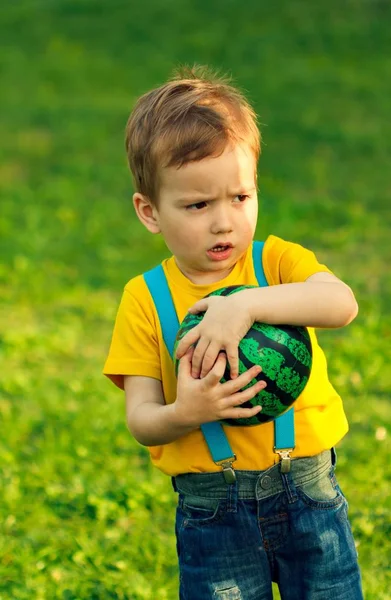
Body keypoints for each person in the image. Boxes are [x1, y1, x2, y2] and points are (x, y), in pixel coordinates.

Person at [104, 65, 364, 600]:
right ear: (149, 212)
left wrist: (245, 303)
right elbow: (141, 420)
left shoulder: (276, 263)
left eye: (240, 198)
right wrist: (185, 415)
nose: (224, 222)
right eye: (198, 205)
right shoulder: (145, 299)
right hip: (212, 507)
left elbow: (341, 304)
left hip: (309, 488)